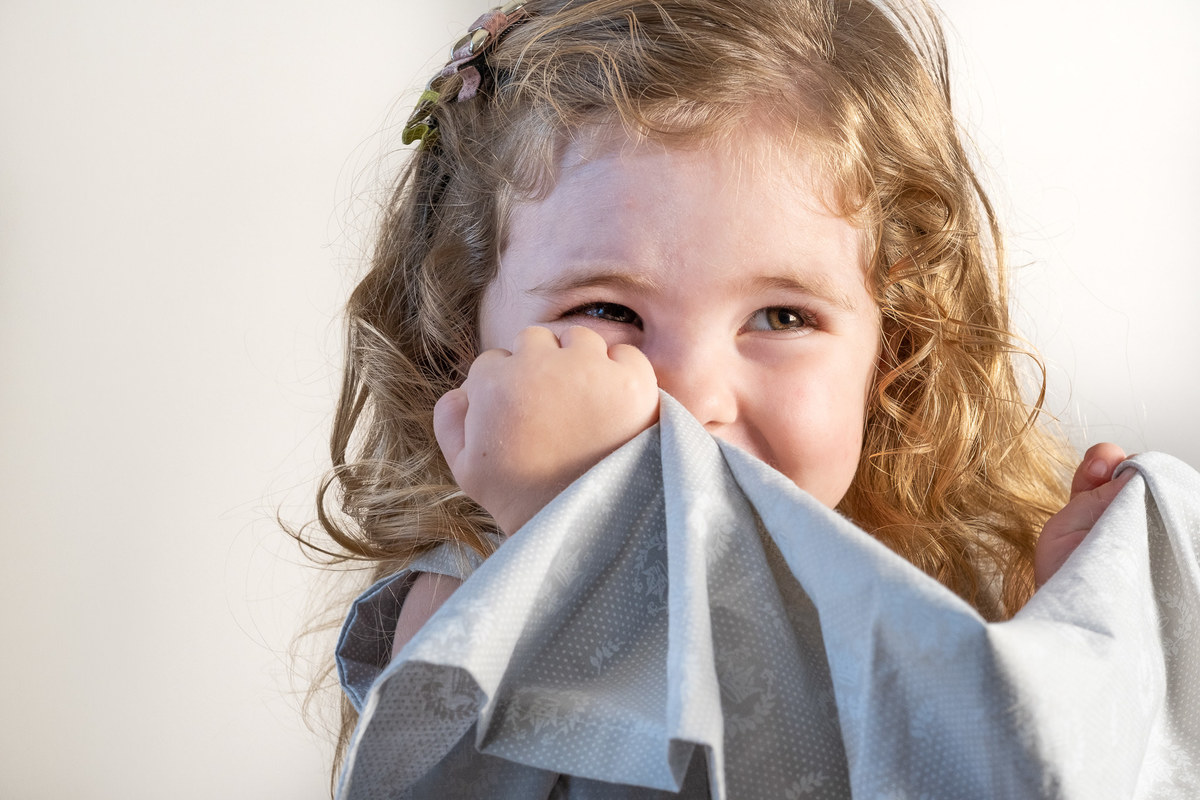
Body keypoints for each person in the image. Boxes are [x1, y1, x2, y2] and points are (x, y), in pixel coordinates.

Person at [305, 0, 1132, 784]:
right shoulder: (462, 619)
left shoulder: (929, 597)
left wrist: (1051, 660)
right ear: (463, 340)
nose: (695, 400)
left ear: (895, 351)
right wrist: (575, 541)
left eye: (780, 316)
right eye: (606, 310)